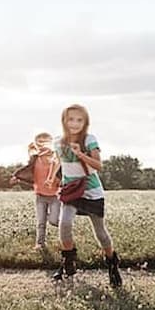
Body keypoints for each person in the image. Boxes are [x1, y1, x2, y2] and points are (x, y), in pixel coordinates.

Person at [55, 104, 122, 287]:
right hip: (71, 190)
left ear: (85, 122)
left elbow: (98, 166)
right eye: (71, 119)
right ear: (64, 121)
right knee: (65, 224)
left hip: (91, 190)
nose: (75, 123)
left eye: (79, 120)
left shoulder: (90, 140)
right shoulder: (58, 142)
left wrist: (80, 154)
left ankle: (112, 263)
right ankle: (68, 263)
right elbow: (61, 163)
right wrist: (52, 178)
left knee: (100, 233)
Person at [12, 132, 61, 250]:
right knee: (40, 222)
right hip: (40, 195)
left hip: (55, 196)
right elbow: (27, 170)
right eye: (40, 144)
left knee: (54, 221)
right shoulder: (35, 159)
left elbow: (62, 174)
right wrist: (17, 177)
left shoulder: (56, 159)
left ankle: (65, 230)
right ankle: (40, 243)